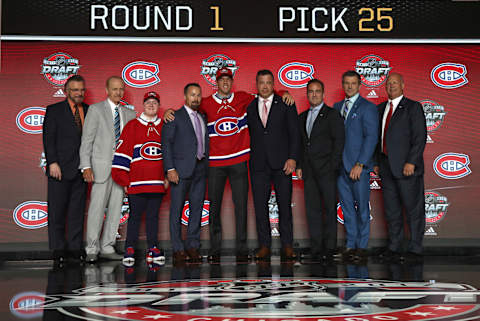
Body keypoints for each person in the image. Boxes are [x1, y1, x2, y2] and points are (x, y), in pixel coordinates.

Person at [163, 68, 294, 263]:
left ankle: (241, 247)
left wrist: (285, 93)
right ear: (216, 82)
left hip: (239, 161)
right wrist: (169, 111)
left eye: (228, 79)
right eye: (221, 80)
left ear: (232, 81)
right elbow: (186, 112)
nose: (225, 82)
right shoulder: (205, 102)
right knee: (214, 208)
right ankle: (215, 248)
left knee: (241, 207)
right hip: (215, 163)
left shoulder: (243, 98)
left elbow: (267, 94)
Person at [79, 76, 136, 262]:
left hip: (121, 170)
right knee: (96, 210)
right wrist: (86, 165)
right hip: (100, 168)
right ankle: (92, 249)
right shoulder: (95, 110)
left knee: (115, 209)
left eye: (121, 89)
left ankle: (107, 247)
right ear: (107, 90)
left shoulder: (130, 114)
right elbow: (86, 140)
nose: (118, 92)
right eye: (114, 89)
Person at [246, 69, 300, 261]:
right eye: (262, 82)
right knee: (260, 207)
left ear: (273, 83)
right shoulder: (250, 106)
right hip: (258, 165)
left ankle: (287, 245)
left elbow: (295, 133)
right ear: (257, 84)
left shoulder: (285, 103)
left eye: (269, 82)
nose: (265, 86)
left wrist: (293, 157)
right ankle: (264, 246)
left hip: (282, 164)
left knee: (285, 206)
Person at [111, 91, 169, 266]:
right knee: (135, 217)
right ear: (143, 105)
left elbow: (171, 154)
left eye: (155, 102)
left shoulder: (165, 126)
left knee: (153, 217)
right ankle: (130, 248)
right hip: (136, 183)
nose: (151, 105)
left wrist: (167, 176)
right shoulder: (132, 126)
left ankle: (153, 248)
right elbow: (122, 153)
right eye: (148, 102)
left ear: (159, 106)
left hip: (157, 183)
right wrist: (124, 179)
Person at [374, 73, 427, 260]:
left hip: (407, 167)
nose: (391, 86)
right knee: (392, 210)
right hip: (386, 167)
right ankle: (394, 247)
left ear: (403, 85)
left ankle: (415, 249)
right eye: (388, 84)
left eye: (395, 83)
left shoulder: (413, 107)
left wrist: (411, 161)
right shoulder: (380, 109)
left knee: (413, 209)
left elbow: (420, 138)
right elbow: (376, 139)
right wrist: (377, 162)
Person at [296, 79, 345, 261]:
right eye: (311, 91)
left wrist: (332, 167)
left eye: (317, 91)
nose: (314, 94)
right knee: (313, 210)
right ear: (307, 94)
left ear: (323, 94)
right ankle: (316, 248)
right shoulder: (301, 117)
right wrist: (300, 165)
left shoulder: (333, 115)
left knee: (329, 211)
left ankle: (330, 248)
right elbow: (301, 145)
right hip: (309, 171)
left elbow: (339, 143)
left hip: (327, 171)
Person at [42, 75, 88, 264]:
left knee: (77, 211)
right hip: (59, 169)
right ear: (66, 91)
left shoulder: (89, 110)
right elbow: (48, 138)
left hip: (81, 169)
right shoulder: (54, 110)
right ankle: (59, 248)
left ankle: (75, 248)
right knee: (57, 211)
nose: (79, 93)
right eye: (75, 90)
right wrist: (52, 162)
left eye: (82, 90)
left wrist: (88, 166)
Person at [333, 70, 378, 261]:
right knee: (347, 208)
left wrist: (360, 163)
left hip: (358, 168)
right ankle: (350, 245)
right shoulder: (336, 107)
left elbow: (371, 137)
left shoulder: (368, 107)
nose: (350, 86)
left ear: (360, 85)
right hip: (340, 168)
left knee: (362, 209)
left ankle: (362, 246)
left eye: (353, 83)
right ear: (343, 85)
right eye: (346, 83)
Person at [161, 83, 209, 264]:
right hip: (180, 171)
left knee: (196, 209)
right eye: (192, 95)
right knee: (176, 210)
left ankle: (192, 246)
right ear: (185, 96)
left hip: (200, 168)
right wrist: (170, 169)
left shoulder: (203, 117)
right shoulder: (174, 116)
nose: (195, 98)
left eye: (198, 95)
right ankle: (178, 248)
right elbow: (166, 144)